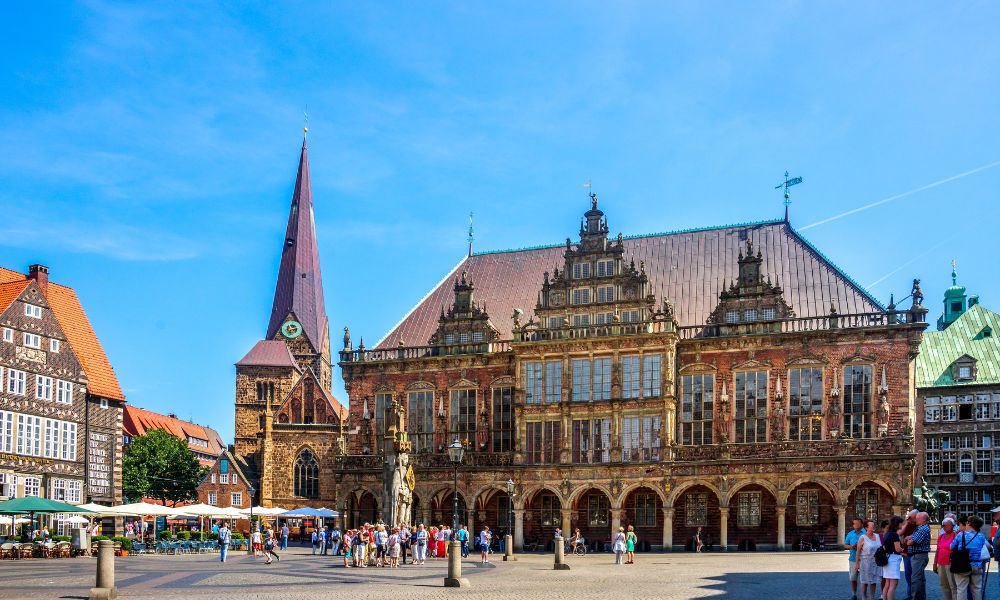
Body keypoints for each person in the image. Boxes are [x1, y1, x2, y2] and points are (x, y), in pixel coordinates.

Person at [951, 515, 987, 600]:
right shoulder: (981, 536)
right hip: (977, 565)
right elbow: (986, 547)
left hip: (963, 565)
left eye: (967, 522)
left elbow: (951, 547)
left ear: (969, 523)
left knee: (961, 589)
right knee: (977, 589)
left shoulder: (961, 535)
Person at [905, 512, 931, 600]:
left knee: (915, 579)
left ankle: (915, 598)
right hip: (917, 556)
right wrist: (910, 538)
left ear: (923, 519)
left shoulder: (923, 529)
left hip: (919, 556)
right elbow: (909, 537)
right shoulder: (920, 528)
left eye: (917, 518)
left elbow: (910, 542)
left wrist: (910, 539)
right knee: (920, 579)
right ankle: (921, 598)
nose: (915, 519)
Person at [855, 519, 882, 600]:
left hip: (876, 562)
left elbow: (883, 548)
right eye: (872, 525)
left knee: (873, 581)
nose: (874, 526)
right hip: (865, 562)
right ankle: (864, 597)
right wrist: (857, 563)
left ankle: (872, 598)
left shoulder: (879, 536)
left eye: (874, 525)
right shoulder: (862, 537)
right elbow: (858, 551)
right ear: (866, 527)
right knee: (865, 581)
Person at [934, 517, 958, 600]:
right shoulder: (941, 536)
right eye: (943, 525)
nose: (945, 527)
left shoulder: (955, 535)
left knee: (953, 585)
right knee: (944, 585)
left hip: (951, 564)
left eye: (947, 525)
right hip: (941, 564)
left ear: (953, 526)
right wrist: (935, 564)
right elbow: (937, 550)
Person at [881, 516, 905, 600]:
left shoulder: (887, 534)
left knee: (887, 583)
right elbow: (897, 548)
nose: (902, 524)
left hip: (887, 559)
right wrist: (903, 550)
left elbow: (884, 547)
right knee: (893, 584)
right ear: (897, 524)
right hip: (893, 559)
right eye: (901, 523)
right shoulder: (894, 535)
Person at [845, 517, 865, 600]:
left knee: (864, 579)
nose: (855, 525)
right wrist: (851, 546)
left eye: (857, 523)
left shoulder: (865, 533)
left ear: (861, 524)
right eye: (854, 523)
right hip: (853, 559)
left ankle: (864, 595)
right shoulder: (850, 534)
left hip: (864, 559)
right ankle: (854, 594)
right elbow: (845, 545)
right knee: (853, 578)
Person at [900, 510, 917, 600]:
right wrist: (906, 523)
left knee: (916, 576)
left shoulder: (920, 525)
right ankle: (910, 595)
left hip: (916, 554)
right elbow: (900, 533)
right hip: (906, 554)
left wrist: (910, 538)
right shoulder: (908, 524)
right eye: (908, 517)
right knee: (908, 576)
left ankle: (915, 595)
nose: (909, 519)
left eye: (910, 517)